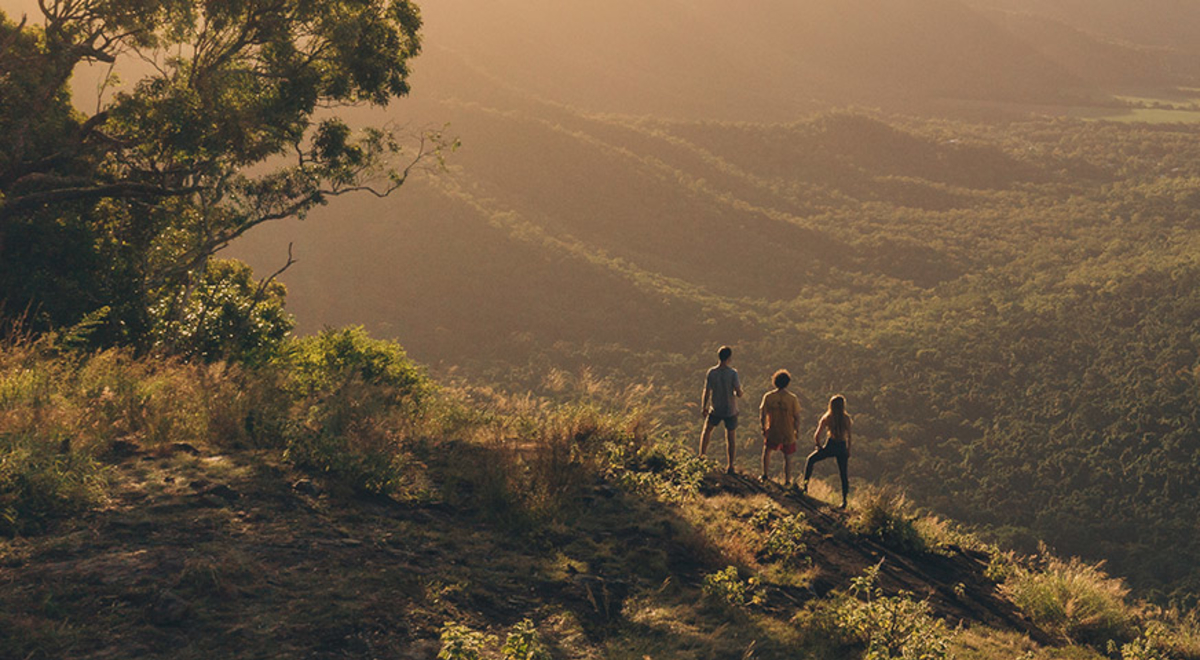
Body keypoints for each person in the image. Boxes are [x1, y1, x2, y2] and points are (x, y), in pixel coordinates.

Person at [801, 394, 853, 509]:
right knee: (843, 474)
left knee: (810, 460)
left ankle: (805, 487)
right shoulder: (846, 418)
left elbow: (817, 435)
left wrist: (819, 446)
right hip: (842, 446)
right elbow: (849, 436)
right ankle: (844, 501)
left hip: (831, 445)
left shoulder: (828, 417)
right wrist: (848, 450)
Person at [699, 345, 743, 474]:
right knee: (730, 438)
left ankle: (702, 456)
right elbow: (739, 392)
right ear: (729, 358)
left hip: (715, 408)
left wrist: (704, 406)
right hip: (730, 409)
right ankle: (730, 465)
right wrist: (740, 393)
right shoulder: (733, 373)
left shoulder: (712, 372)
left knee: (707, 431)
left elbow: (706, 391)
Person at [759, 369, 802, 485]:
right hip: (788, 431)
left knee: (767, 451)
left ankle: (765, 475)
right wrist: (796, 430)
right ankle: (787, 481)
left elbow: (762, 414)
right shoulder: (792, 398)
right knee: (788, 457)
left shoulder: (768, 397)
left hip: (773, 430)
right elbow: (797, 417)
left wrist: (763, 428)